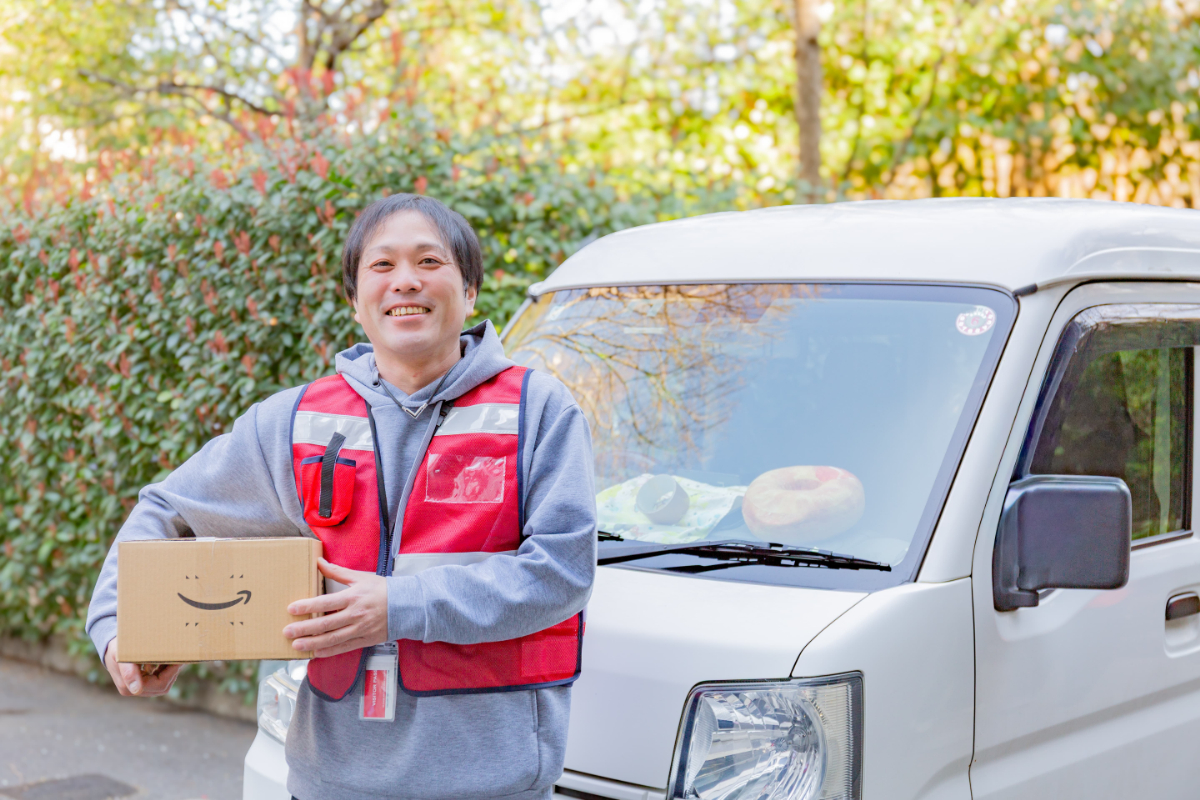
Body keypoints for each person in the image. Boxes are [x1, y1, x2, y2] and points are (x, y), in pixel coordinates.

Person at [85, 194, 597, 800]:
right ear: (355, 302)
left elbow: (562, 571)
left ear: (471, 290)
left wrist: (399, 605)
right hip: (331, 779)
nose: (405, 281)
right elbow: (166, 510)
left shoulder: (538, 411)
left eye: (429, 261)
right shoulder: (295, 420)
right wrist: (122, 629)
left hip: (492, 781)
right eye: (381, 267)